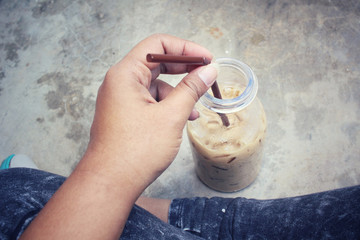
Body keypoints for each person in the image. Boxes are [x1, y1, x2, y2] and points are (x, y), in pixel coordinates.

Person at [0, 34, 359, 240]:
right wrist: (113, 164)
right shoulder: (196, 118)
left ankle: (80, 201)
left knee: (15, 196)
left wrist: (107, 172)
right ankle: (128, 206)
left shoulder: (255, 117)